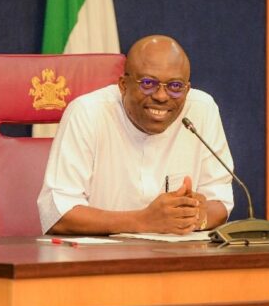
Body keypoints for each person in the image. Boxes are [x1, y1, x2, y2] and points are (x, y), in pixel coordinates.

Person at [37, 35, 234, 235]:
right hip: (101, 253)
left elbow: (220, 201)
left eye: (175, 86)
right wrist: (143, 221)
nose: (161, 96)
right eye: (148, 83)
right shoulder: (88, 112)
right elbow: (58, 215)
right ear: (123, 85)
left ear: (187, 89)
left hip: (175, 252)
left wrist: (194, 215)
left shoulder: (202, 109)